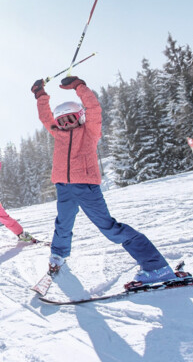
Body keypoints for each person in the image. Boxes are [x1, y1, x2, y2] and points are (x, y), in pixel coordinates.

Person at [31, 75, 177, 284]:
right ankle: (58, 254)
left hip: (86, 187)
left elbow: (94, 109)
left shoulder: (90, 132)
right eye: (62, 121)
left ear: (80, 117)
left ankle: (156, 266)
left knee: (109, 228)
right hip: (63, 187)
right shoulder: (57, 133)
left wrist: (80, 87)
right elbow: (45, 116)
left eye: (71, 119)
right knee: (63, 223)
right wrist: (40, 94)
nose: (66, 124)